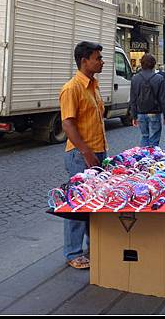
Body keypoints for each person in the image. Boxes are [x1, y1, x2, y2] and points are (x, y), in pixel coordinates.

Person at [59, 41, 108, 270]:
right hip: (81, 155)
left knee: (94, 204)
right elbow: (68, 124)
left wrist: (99, 153)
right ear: (84, 61)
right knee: (78, 206)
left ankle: (94, 246)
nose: (101, 62)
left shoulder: (94, 86)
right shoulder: (72, 88)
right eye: (97, 58)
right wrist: (87, 152)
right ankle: (73, 252)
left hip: (97, 152)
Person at [129, 54, 165, 147]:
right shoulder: (159, 78)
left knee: (144, 136)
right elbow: (163, 99)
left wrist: (134, 116)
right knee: (154, 138)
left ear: (141, 64)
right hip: (154, 112)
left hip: (140, 112)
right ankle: (152, 158)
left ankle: (144, 158)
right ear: (154, 65)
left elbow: (133, 99)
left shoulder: (135, 78)